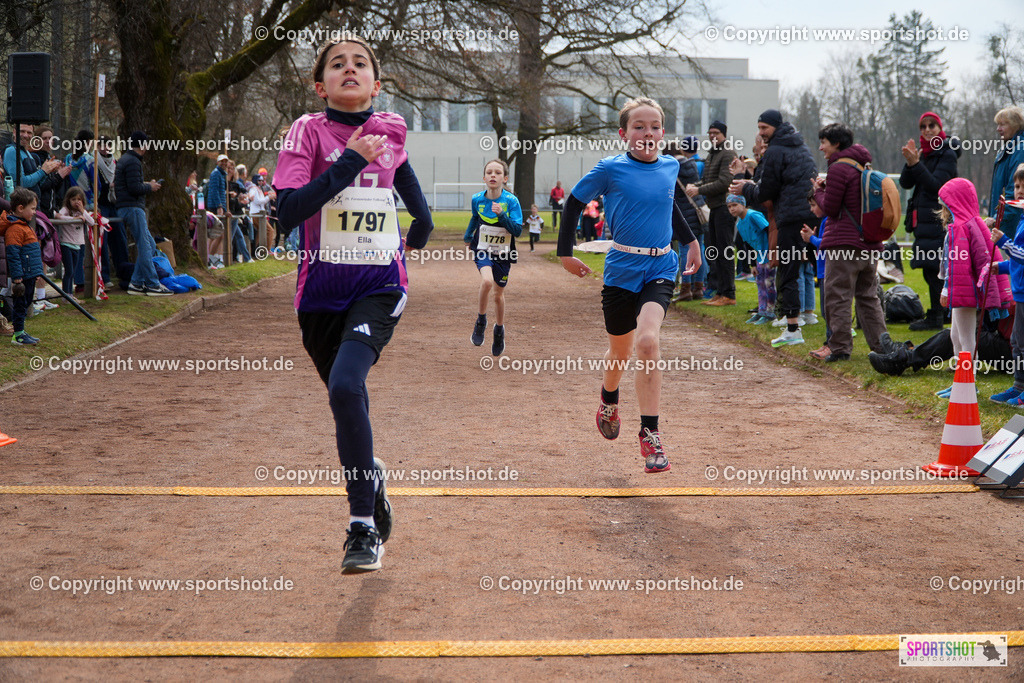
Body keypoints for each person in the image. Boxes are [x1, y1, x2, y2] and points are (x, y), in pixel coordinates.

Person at [272, 36, 433, 573]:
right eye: (337, 64)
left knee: (346, 385)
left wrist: (422, 225)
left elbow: (409, 186)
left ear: (376, 84)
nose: (349, 69)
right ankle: (373, 478)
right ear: (321, 85)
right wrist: (347, 161)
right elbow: (288, 212)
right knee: (347, 398)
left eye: (360, 64)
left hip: (380, 286)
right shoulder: (306, 131)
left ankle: (361, 527)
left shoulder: (389, 128)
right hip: (318, 295)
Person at [558, 96, 701, 473]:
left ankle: (649, 433)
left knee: (648, 341)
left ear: (663, 133)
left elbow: (670, 205)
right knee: (620, 352)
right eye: (639, 126)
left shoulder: (671, 166)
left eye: (654, 126)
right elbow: (573, 203)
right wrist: (565, 253)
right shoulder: (611, 169)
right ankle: (608, 398)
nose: (647, 133)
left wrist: (691, 242)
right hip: (621, 268)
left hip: (660, 266)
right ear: (624, 134)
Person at [731, 110, 819, 347]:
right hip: (812, 215)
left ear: (776, 127)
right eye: (759, 128)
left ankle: (792, 328)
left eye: (764, 128)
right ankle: (837, 328)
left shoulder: (775, 151)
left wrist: (744, 187)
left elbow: (765, 193)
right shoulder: (801, 147)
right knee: (821, 270)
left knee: (788, 272)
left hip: (789, 218)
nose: (761, 133)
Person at [810, 123, 888, 360]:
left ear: (836, 144)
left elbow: (831, 209)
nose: (821, 147)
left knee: (838, 296)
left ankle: (840, 348)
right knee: (868, 297)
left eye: (824, 142)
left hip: (843, 245)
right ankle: (883, 347)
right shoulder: (861, 165)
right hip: (868, 244)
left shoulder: (838, 167)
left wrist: (817, 191)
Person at [934, 177, 1012, 397]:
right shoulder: (972, 224)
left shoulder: (960, 228)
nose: (943, 209)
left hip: (964, 293)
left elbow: (956, 264)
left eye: (945, 204)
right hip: (968, 291)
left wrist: (946, 290)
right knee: (956, 336)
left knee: (965, 338)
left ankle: (967, 383)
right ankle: (962, 381)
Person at [900, 111, 960, 331]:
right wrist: (910, 162)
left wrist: (916, 164)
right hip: (922, 220)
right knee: (928, 268)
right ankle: (938, 314)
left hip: (939, 219)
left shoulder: (947, 153)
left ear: (939, 128)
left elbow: (938, 186)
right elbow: (906, 183)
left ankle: (938, 316)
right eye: (923, 127)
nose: (927, 130)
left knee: (937, 268)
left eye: (931, 126)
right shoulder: (922, 154)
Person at [465, 158, 523, 355]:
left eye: (497, 173)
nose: (493, 175)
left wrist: (502, 216)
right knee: (487, 282)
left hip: (504, 252)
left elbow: (517, 231)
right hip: (482, 248)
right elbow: (475, 217)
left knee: (498, 295)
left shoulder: (511, 201)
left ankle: (499, 330)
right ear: (484, 177)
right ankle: (481, 320)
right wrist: (467, 235)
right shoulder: (477, 199)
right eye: (489, 172)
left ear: (505, 178)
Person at [114, 131, 172, 296]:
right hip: (132, 207)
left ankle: (136, 283)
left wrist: (146, 184)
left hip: (128, 206)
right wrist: (150, 187)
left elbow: (130, 184)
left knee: (151, 245)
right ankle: (153, 284)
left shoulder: (127, 159)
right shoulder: (133, 161)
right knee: (145, 245)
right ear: (143, 145)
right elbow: (134, 188)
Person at [686, 120, 736, 306]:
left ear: (724, 134)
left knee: (725, 251)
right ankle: (720, 291)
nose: (713, 136)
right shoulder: (712, 154)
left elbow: (724, 182)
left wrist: (699, 190)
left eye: (716, 132)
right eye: (710, 132)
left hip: (724, 207)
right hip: (714, 207)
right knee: (714, 251)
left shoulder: (728, 153)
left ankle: (729, 294)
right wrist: (696, 185)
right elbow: (707, 179)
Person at [989, 165, 1024, 405]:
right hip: (1020, 292)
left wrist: (1004, 242)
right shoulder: (1022, 218)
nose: (1019, 191)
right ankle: (1018, 385)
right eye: (1017, 186)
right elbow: (1017, 260)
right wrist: (1000, 267)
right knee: (1017, 342)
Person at [666, 138, 706, 302]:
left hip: (684, 214)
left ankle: (685, 289)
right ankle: (699, 288)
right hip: (697, 213)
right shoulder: (691, 165)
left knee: (685, 251)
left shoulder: (672, 167)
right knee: (700, 250)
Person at [1, 188, 43, 345]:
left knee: (24, 305)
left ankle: (21, 330)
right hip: (23, 275)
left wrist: (37, 271)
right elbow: (13, 254)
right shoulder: (15, 229)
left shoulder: (25, 225)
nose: (34, 212)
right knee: (20, 305)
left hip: (30, 273)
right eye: (32, 208)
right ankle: (18, 335)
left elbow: (31, 253)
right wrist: (18, 277)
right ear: (20, 208)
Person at [726, 194, 774, 324]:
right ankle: (761, 311)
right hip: (759, 256)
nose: (732, 209)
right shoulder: (740, 223)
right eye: (729, 206)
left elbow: (769, 230)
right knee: (760, 284)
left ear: (743, 204)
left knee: (769, 284)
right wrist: (752, 264)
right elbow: (748, 244)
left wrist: (773, 252)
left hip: (768, 254)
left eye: (735, 205)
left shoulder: (753, 215)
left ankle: (770, 312)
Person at [986, 107, 1024, 232]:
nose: (998, 129)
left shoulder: (1019, 150)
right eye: (998, 125)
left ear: (1015, 125)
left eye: (1003, 124)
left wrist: (997, 220)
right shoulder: (1007, 150)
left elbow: (1014, 193)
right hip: (1003, 226)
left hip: (1012, 228)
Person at [96, 135, 124, 287]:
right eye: (101, 145)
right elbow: (95, 184)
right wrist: (109, 186)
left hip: (115, 204)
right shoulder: (95, 163)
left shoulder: (115, 163)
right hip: (101, 204)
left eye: (107, 145)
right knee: (103, 240)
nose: (104, 148)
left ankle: (123, 271)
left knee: (120, 238)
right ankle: (104, 275)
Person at [57, 186, 93, 298]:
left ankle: (70, 294)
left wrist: (82, 211)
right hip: (66, 243)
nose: (76, 202)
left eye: (79, 199)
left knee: (73, 271)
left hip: (78, 245)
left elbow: (91, 222)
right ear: (68, 200)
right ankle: (66, 295)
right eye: (73, 199)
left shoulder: (82, 212)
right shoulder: (66, 210)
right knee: (69, 270)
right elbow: (58, 216)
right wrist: (73, 219)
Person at [29, 125, 71, 218]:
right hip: (40, 210)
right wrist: (58, 177)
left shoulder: (49, 158)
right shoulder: (34, 158)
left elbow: (53, 188)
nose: (48, 141)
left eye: (50, 138)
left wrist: (61, 176)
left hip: (51, 210)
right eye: (44, 138)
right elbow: (40, 186)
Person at [63, 130, 94, 206]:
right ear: (87, 142)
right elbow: (95, 182)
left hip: (70, 200)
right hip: (87, 200)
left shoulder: (68, 159)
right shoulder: (90, 160)